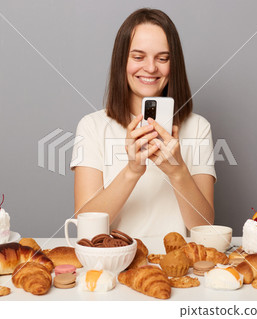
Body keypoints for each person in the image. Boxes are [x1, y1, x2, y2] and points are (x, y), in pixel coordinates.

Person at [70, 8, 216, 237]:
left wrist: (178, 172)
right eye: (138, 57)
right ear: (122, 62)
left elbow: (204, 226)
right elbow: (85, 225)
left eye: (162, 58)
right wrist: (132, 170)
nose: (150, 68)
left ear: (173, 65)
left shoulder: (198, 127)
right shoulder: (92, 126)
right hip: (114, 262)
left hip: (177, 267)